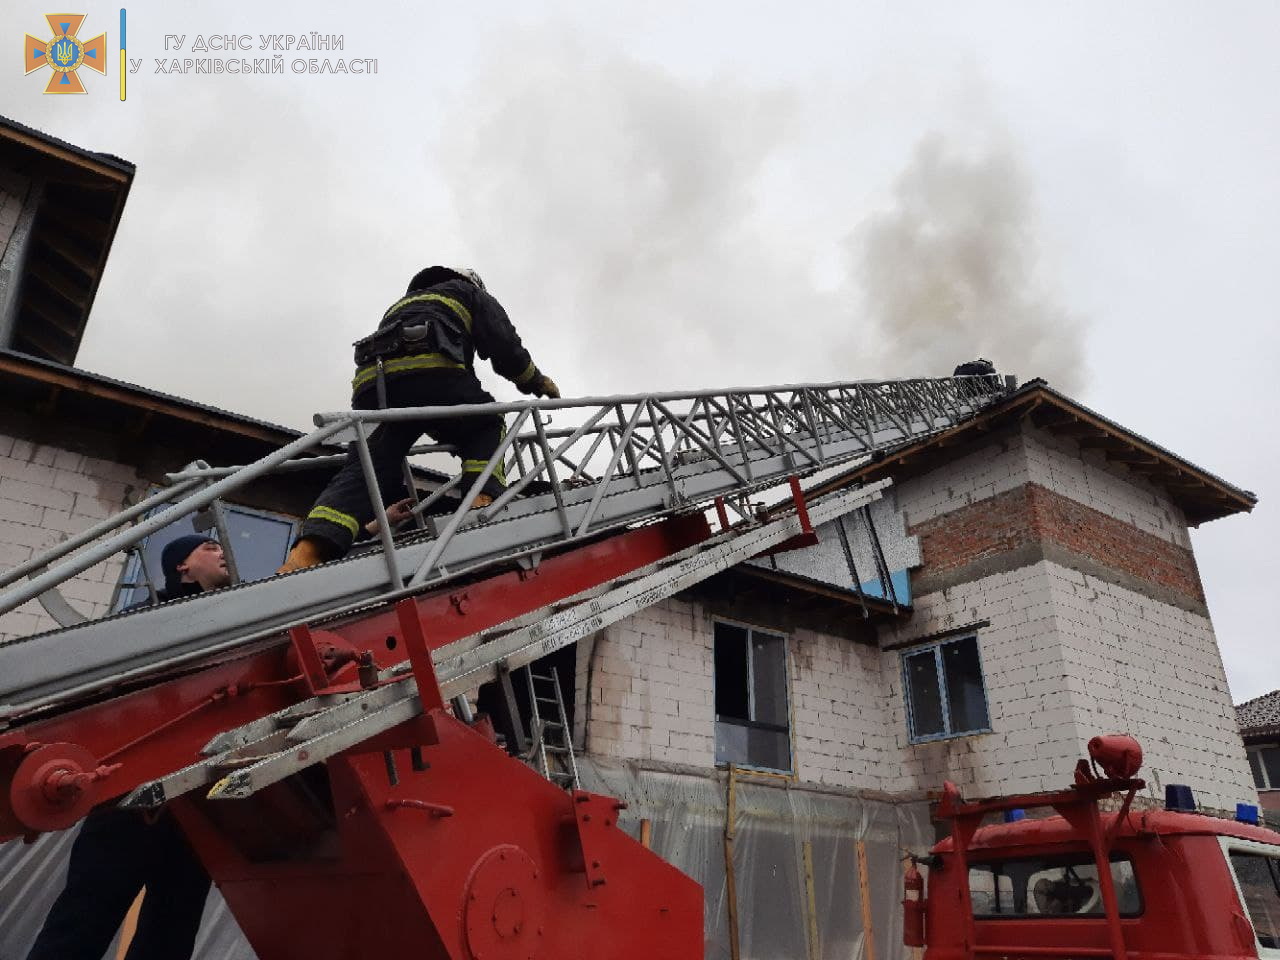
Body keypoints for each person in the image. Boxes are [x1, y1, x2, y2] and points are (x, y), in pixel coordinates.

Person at [26, 535, 232, 960]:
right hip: (127, 802)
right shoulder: (141, 625)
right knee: (82, 923)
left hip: (195, 806)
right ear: (182, 566)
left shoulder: (239, 627)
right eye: (210, 548)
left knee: (171, 934)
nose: (223, 552)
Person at [279, 265, 559, 573]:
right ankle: (479, 508)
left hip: (376, 389)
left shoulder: (400, 306)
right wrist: (535, 381)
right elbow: (505, 346)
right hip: (432, 372)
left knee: (366, 472)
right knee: (487, 424)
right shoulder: (469, 293)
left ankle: (304, 556)